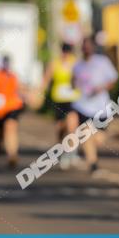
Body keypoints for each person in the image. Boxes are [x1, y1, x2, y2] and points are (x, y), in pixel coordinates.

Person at [69, 37, 119, 174]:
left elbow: (113, 79)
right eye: (84, 47)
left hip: (101, 107)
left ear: (93, 48)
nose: (86, 49)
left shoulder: (102, 62)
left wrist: (102, 88)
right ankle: (92, 162)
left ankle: (92, 154)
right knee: (86, 133)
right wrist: (74, 84)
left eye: (88, 46)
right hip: (83, 106)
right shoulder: (77, 65)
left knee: (98, 138)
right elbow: (72, 82)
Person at [41, 42, 81, 170]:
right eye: (64, 51)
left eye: (68, 51)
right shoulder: (55, 64)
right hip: (59, 100)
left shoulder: (75, 64)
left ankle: (71, 154)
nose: (66, 54)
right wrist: (39, 94)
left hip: (73, 99)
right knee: (60, 128)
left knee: (72, 125)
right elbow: (46, 80)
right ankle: (62, 149)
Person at [0, 56, 25, 169]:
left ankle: (12, 155)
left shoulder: (14, 76)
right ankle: (0, 143)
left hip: (12, 107)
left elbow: (20, 89)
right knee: (1, 131)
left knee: (10, 127)